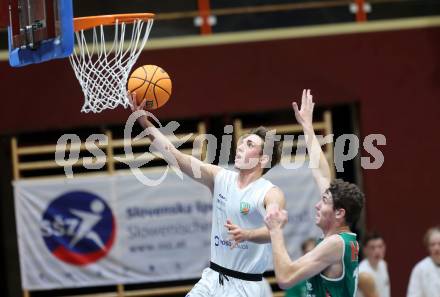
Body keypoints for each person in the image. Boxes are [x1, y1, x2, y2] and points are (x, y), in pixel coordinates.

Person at [128, 93, 286, 297]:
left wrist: (247, 234)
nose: (240, 146)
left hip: (246, 287)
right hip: (212, 278)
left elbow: (274, 229)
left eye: (249, 145)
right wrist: (143, 121)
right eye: (242, 141)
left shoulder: (270, 193)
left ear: (263, 159)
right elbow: (174, 155)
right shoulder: (219, 177)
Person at [265, 89, 365, 296]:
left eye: (324, 201)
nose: (317, 205)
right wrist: (307, 127)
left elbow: (285, 278)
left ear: (339, 213)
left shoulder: (336, 244)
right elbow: (320, 173)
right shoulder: (342, 240)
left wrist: (275, 230)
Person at [407, 226, 440, 297]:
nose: (436, 248)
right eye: (432, 245)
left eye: (439, 244)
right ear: (428, 247)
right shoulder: (420, 269)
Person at [357, 232, 390, 297]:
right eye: (372, 247)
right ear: (365, 250)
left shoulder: (383, 264)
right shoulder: (364, 275)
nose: (377, 251)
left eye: (380, 246)